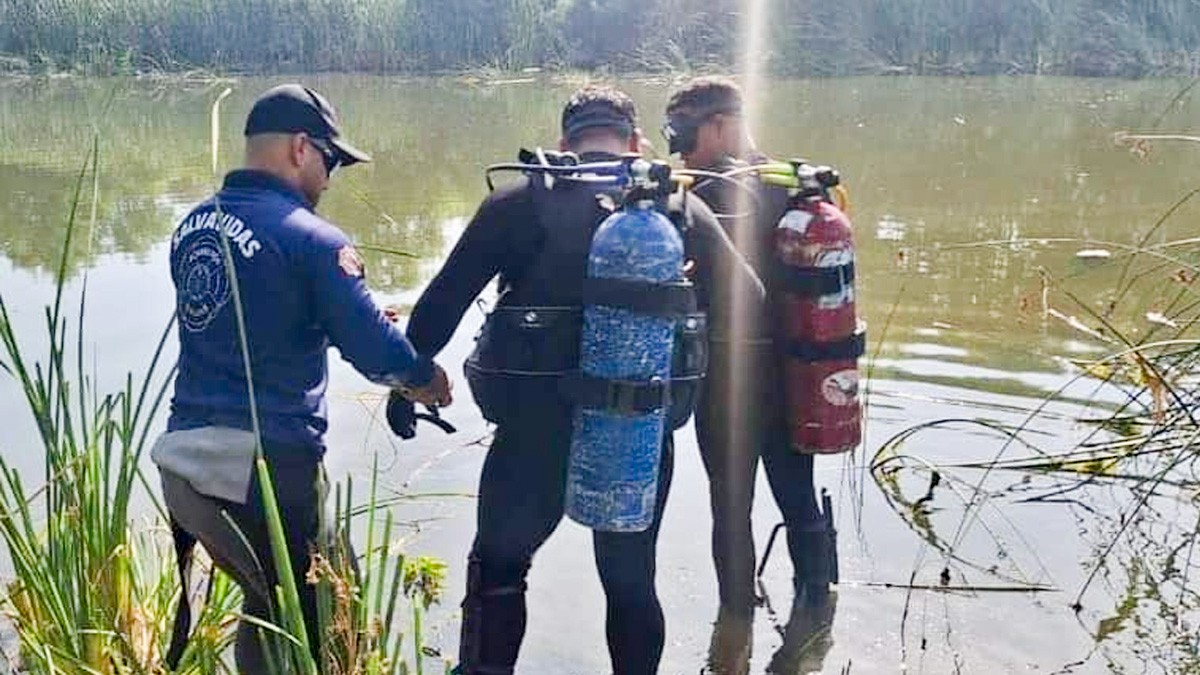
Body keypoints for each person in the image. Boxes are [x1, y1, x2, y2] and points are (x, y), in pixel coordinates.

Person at [403, 84, 761, 675]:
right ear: (635, 142)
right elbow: (751, 297)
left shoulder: (518, 203)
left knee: (499, 571)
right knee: (630, 584)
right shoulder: (676, 208)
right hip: (635, 431)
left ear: (564, 143)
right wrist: (681, 304)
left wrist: (408, 384)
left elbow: (438, 311)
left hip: (531, 432)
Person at [151, 83, 451, 673]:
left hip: (185, 467)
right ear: (299, 148)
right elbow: (376, 351)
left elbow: (251, 324)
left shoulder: (193, 225)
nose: (330, 178)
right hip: (260, 472)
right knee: (333, 619)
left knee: (267, 604)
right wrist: (424, 379)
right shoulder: (314, 239)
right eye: (330, 160)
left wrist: (334, 318)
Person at [663, 76, 839, 671]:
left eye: (684, 135)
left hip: (726, 379)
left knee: (730, 507)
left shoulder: (702, 192)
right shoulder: (799, 187)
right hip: (796, 372)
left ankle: (733, 628)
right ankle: (814, 628)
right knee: (798, 497)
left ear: (719, 126)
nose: (680, 150)